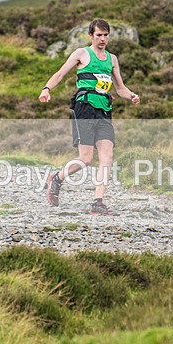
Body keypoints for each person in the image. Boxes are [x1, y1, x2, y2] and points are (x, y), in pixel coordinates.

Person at [39, 19, 140, 215]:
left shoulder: (112, 59)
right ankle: (57, 178)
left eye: (105, 35)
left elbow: (120, 88)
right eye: (99, 35)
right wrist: (46, 89)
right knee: (86, 159)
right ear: (91, 36)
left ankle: (98, 203)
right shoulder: (81, 54)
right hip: (84, 108)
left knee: (107, 156)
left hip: (104, 110)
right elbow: (59, 74)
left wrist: (132, 96)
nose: (102, 39)